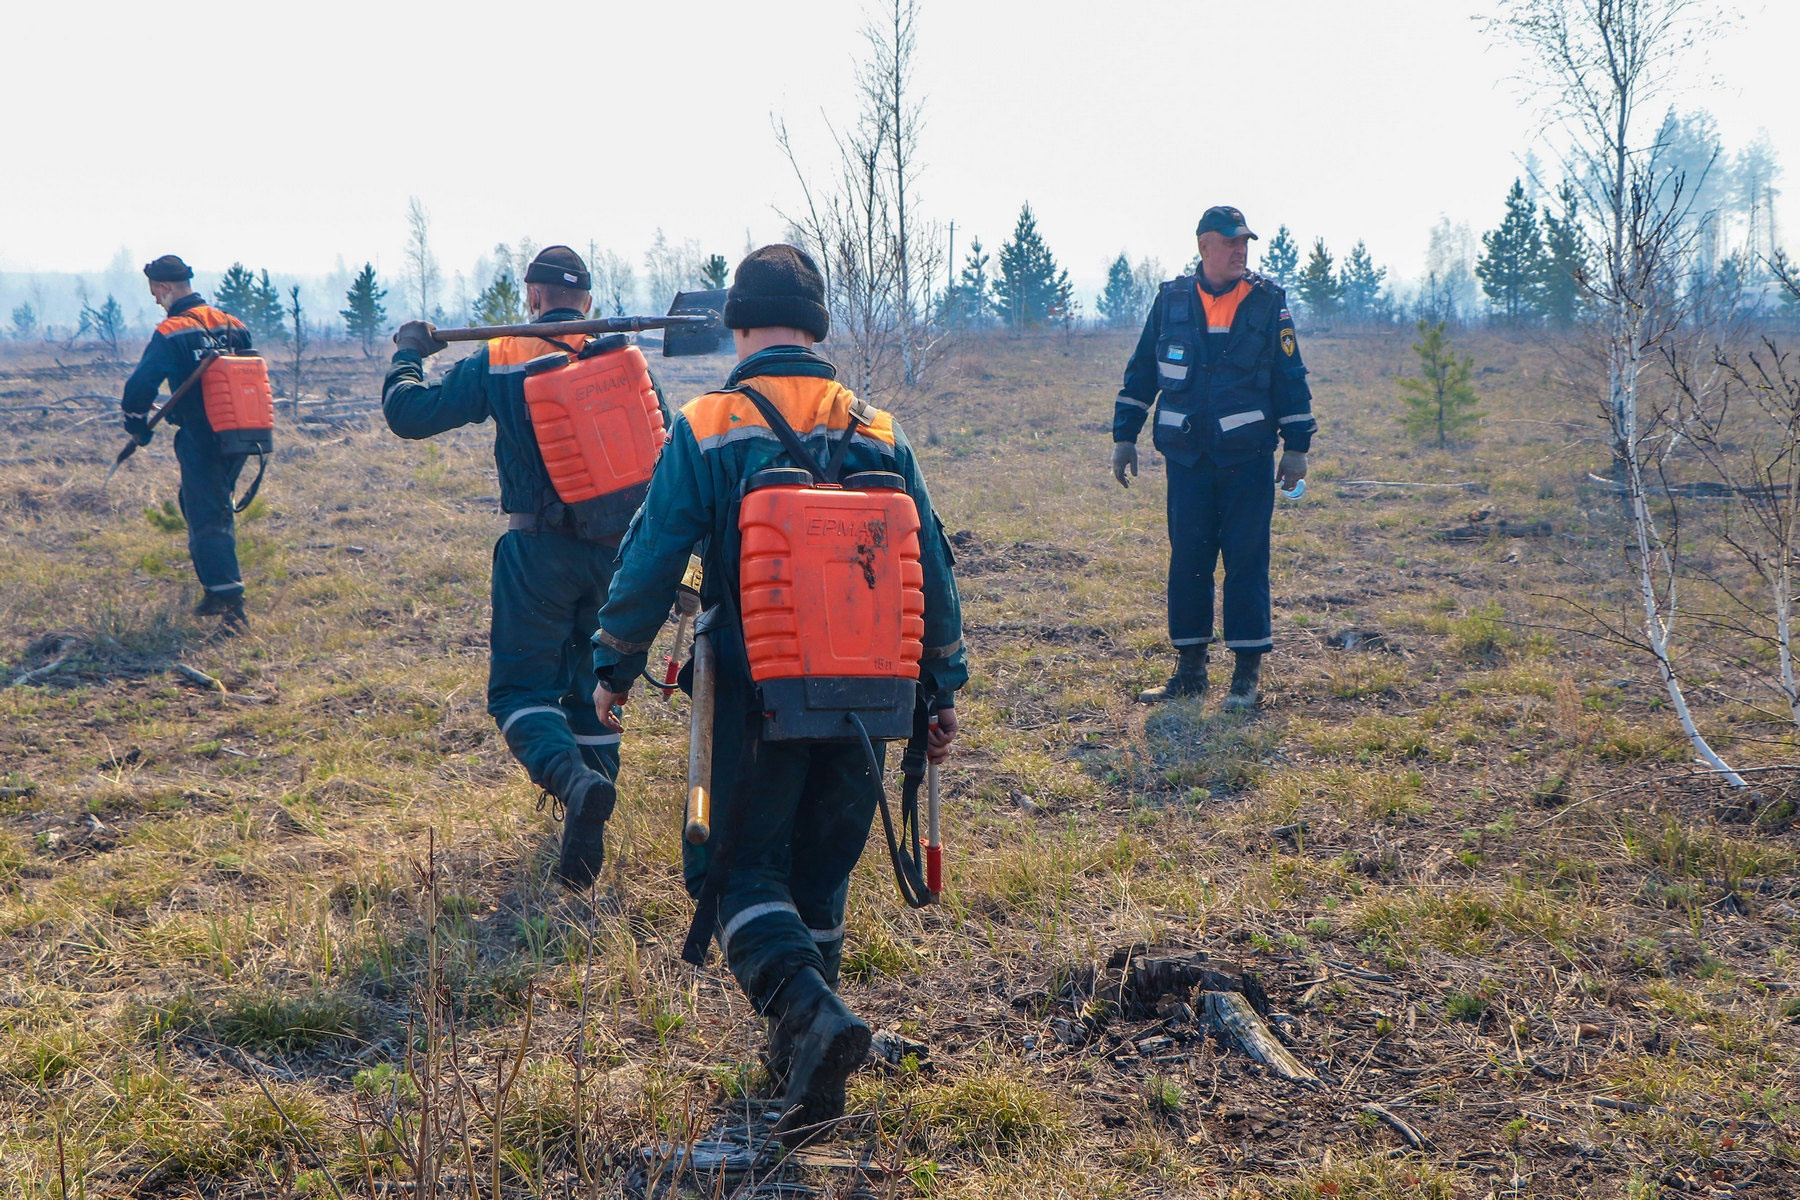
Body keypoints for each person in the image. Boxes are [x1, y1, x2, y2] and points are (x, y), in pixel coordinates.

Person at [589, 245, 965, 1147]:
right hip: (870, 694)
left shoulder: (710, 422)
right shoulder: (880, 428)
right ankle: (804, 1063)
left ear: (738, 321)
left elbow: (651, 552)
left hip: (751, 689)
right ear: (819, 325)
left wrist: (613, 660)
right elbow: (935, 570)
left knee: (731, 875)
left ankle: (810, 1022)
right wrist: (940, 688)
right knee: (821, 870)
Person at [382, 245, 668, 889]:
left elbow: (409, 415)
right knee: (599, 687)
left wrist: (407, 354)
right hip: (619, 558)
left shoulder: (501, 356)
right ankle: (589, 802)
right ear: (587, 303)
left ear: (534, 296)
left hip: (534, 554)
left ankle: (572, 784)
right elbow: (666, 448)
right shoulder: (627, 361)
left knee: (519, 693)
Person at [1111, 206, 1317, 711]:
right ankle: (1190, 671)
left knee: (1246, 562)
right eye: (1230, 242)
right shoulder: (1172, 300)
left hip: (1247, 458)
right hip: (1187, 458)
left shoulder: (1268, 302)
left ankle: (1246, 676)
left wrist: (1297, 448)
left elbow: (1291, 376)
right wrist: (1124, 436)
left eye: (1245, 242)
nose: (1241, 250)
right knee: (1189, 563)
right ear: (1204, 245)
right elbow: (1142, 370)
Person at [121, 255, 256, 630]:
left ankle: (229, 603)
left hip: (203, 434)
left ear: (164, 289)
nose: (155, 301)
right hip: (244, 432)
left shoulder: (172, 330)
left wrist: (136, 424)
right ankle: (220, 587)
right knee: (205, 504)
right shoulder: (234, 323)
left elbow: (139, 386)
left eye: (154, 294)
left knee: (206, 512)